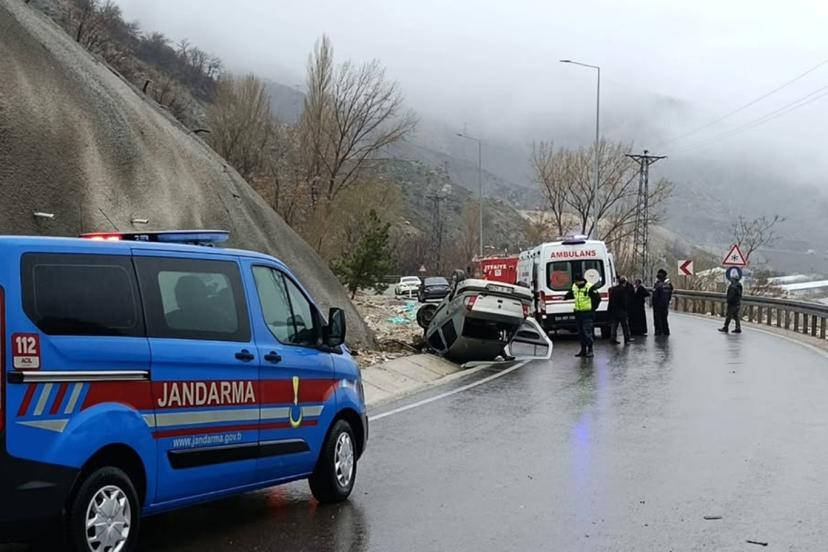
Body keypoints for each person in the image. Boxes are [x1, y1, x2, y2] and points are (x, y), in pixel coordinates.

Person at [565, 273, 601, 358]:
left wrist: (592, 308)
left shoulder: (590, 287)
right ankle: (583, 350)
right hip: (578, 313)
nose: (576, 283)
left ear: (581, 281)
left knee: (587, 332)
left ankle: (590, 350)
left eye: (577, 282)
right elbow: (572, 294)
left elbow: (597, 299)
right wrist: (565, 297)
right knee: (581, 333)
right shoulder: (575, 286)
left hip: (587, 313)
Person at [608, 276, 633, 344]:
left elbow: (611, 300)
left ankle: (612, 339)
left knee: (614, 326)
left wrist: (610, 310)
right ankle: (626, 339)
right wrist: (626, 308)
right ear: (624, 282)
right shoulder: (623, 290)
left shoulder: (613, 289)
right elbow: (624, 301)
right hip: (622, 311)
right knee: (625, 326)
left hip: (614, 310)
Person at [652, 269, 673, 336]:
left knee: (658, 318)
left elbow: (655, 296)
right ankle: (666, 331)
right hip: (665, 304)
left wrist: (653, 303)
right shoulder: (668, 285)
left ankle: (659, 331)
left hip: (658, 305)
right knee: (664, 318)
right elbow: (670, 293)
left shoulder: (657, 285)